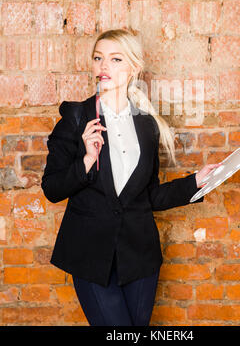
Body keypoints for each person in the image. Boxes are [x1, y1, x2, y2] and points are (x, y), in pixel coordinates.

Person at [41, 28, 221, 326]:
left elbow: (149, 196)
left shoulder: (147, 125)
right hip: (90, 256)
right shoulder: (75, 118)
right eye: (98, 58)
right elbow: (52, 188)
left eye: (115, 59)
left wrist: (196, 182)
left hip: (139, 258)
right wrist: (86, 160)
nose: (103, 66)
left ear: (134, 67)